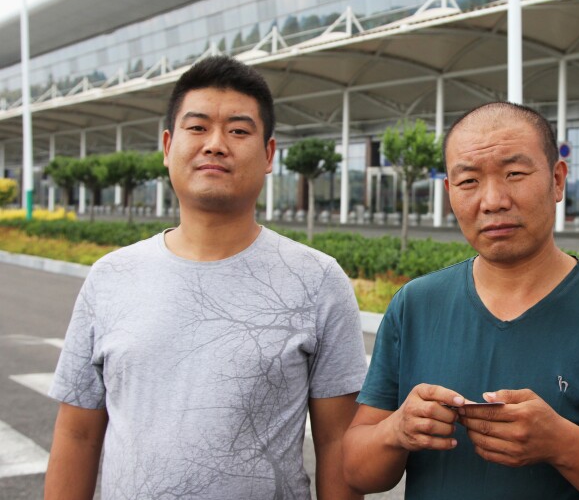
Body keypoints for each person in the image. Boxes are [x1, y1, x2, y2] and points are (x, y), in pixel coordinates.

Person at [44, 55, 367, 500]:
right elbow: (77, 434)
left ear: (269, 154)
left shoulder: (317, 280)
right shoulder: (111, 277)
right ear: (167, 146)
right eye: (197, 127)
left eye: (238, 131)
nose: (215, 144)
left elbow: (336, 442)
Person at [342, 101, 579, 499]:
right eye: (469, 181)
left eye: (514, 174)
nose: (493, 200)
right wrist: (397, 430)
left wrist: (563, 445)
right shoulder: (416, 306)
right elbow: (356, 471)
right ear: (449, 193)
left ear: (557, 180)